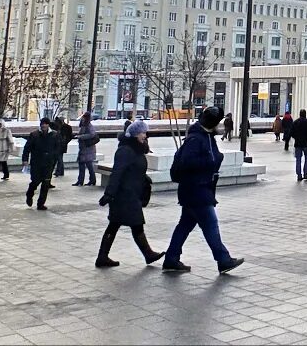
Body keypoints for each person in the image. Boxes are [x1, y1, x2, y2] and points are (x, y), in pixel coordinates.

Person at [163, 106, 244, 275]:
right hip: (196, 190)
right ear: (213, 123)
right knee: (210, 224)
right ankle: (223, 260)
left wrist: (215, 159)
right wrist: (211, 161)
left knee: (184, 225)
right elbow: (188, 162)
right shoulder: (196, 139)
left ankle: (171, 258)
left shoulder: (206, 137)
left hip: (198, 189)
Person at [96, 120, 165, 268]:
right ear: (134, 134)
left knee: (117, 224)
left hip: (131, 193)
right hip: (123, 195)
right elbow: (117, 173)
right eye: (142, 133)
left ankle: (103, 257)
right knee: (135, 224)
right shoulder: (126, 150)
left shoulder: (137, 149)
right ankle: (148, 254)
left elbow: (134, 170)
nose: (145, 136)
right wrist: (109, 194)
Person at [22, 118, 59, 210]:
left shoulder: (54, 135)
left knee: (46, 184)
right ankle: (29, 194)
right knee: (35, 181)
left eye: (45, 124)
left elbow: (58, 148)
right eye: (42, 124)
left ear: (48, 125)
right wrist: (25, 159)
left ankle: (41, 204)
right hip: (36, 163)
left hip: (48, 163)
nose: (43, 125)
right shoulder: (34, 135)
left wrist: (54, 157)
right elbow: (27, 148)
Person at [74, 112, 99, 186]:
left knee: (88, 165)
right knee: (83, 164)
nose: (82, 118)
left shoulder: (89, 125)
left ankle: (91, 180)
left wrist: (81, 137)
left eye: (84, 117)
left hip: (88, 148)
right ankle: (80, 181)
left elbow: (92, 134)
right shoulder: (84, 125)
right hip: (84, 148)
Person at [291, 109, 307, 182]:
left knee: (298, 159)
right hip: (306, 143)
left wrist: (296, 137)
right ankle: (305, 174)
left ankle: (299, 175)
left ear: (299, 114)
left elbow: (292, 132)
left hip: (298, 144)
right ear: (305, 114)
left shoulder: (295, 122)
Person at [52, 116, 74, 180]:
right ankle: (61, 172)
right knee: (59, 158)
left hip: (62, 145)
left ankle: (58, 172)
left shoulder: (68, 127)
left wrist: (65, 142)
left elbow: (70, 136)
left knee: (59, 158)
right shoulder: (56, 126)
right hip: (57, 145)